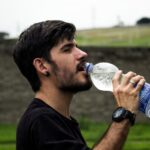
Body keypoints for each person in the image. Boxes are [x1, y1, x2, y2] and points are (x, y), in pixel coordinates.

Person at [13, 20, 145, 150]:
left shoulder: (59, 120)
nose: (82, 54)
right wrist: (124, 113)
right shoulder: (41, 120)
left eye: (76, 46)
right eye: (67, 49)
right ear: (42, 66)